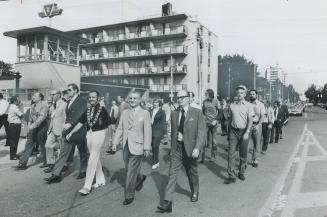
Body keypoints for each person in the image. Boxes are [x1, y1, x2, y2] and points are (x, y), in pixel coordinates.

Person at [157, 90, 206, 213]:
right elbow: (173, 133)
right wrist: (171, 149)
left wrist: (197, 148)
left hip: (190, 148)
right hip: (177, 148)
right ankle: (167, 202)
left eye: (182, 97)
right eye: (178, 97)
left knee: (192, 172)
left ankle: (195, 191)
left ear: (188, 98)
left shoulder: (197, 112)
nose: (179, 99)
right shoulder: (174, 113)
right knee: (172, 174)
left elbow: (201, 132)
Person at [66, 91, 110, 195]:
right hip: (89, 134)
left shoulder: (102, 109)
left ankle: (87, 186)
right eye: (90, 97)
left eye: (93, 97)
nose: (91, 99)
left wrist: (111, 140)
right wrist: (71, 132)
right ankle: (100, 180)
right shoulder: (88, 109)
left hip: (99, 134)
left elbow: (109, 125)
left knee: (92, 158)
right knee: (94, 157)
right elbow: (81, 122)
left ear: (98, 98)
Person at [113, 90, 151, 205]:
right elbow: (120, 128)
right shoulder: (125, 112)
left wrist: (147, 148)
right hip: (125, 145)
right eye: (131, 98)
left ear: (140, 100)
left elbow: (147, 131)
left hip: (138, 146)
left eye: (135, 98)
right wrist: (115, 142)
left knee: (130, 171)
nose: (132, 100)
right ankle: (139, 179)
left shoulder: (145, 113)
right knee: (129, 169)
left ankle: (129, 195)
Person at [45, 83, 88, 183]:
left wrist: (71, 123)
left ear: (76, 90)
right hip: (68, 131)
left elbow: (81, 114)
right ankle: (56, 175)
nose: (67, 92)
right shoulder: (68, 101)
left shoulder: (81, 101)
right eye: (66, 91)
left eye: (69, 90)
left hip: (79, 130)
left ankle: (83, 170)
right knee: (63, 152)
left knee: (82, 152)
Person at [224, 85, 253, 184]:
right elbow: (230, 119)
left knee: (243, 153)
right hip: (233, 131)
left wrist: (247, 132)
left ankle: (241, 172)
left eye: (241, 93)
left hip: (244, 131)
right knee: (231, 154)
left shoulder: (249, 105)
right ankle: (231, 175)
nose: (239, 94)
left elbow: (250, 120)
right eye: (238, 93)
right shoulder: (232, 105)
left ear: (245, 94)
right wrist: (228, 133)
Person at [15, 92, 49, 170]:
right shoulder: (33, 105)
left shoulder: (44, 106)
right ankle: (23, 163)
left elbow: (42, 117)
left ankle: (47, 161)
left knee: (43, 145)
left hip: (41, 127)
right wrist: (29, 126)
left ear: (40, 98)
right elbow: (30, 118)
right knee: (28, 144)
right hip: (33, 127)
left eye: (35, 96)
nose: (33, 97)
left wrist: (33, 126)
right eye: (33, 95)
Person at [43, 90, 67, 173]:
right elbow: (52, 117)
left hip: (60, 130)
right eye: (51, 94)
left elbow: (65, 118)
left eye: (53, 94)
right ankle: (51, 164)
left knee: (62, 149)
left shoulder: (64, 105)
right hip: (52, 130)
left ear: (59, 95)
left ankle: (63, 165)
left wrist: (64, 129)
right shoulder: (53, 105)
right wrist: (49, 129)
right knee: (47, 145)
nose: (52, 96)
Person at [202, 89, 220, 161]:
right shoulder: (204, 102)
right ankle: (201, 157)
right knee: (203, 140)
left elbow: (220, 112)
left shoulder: (216, 101)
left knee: (214, 141)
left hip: (214, 124)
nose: (205, 95)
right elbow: (203, 111)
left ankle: (213, 156)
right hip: (206, 123)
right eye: (205, 94)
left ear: (210, 94)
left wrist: (216, 120)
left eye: (206, 94)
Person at [248, 89, 265, 167]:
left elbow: (263, 115)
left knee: (256, 143)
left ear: (256, 95)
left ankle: (255, 160)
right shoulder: (247, 104)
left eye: (253, 94)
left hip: (256, 125)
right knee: (246, 143)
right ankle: (244, 160)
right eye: (250, 94)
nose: (252, 95)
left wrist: (259, 124)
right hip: (248, 125)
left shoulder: (261, 104)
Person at [150, 98, 167, 169]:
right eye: (154, 102)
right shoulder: (150, 111)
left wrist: (165, 133)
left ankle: (155, 162)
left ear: (159, 103)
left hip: (158, 131)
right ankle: (156, 160)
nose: (155, 104)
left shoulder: (162, 111)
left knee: (155, 146)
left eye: (156, 102)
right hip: (151, 131)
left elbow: (164, 122)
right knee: (153, 147)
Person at [7, 96, 23, 160]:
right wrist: (21, 106)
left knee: (13, 141)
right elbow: (21, 115)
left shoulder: (11, 106)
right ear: (15, 101)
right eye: (18, 100)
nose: (19, 101)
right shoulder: (14, 107)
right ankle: (13, 156)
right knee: (14, 141)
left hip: (12, 125)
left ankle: (13, 155)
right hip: (15, 126)